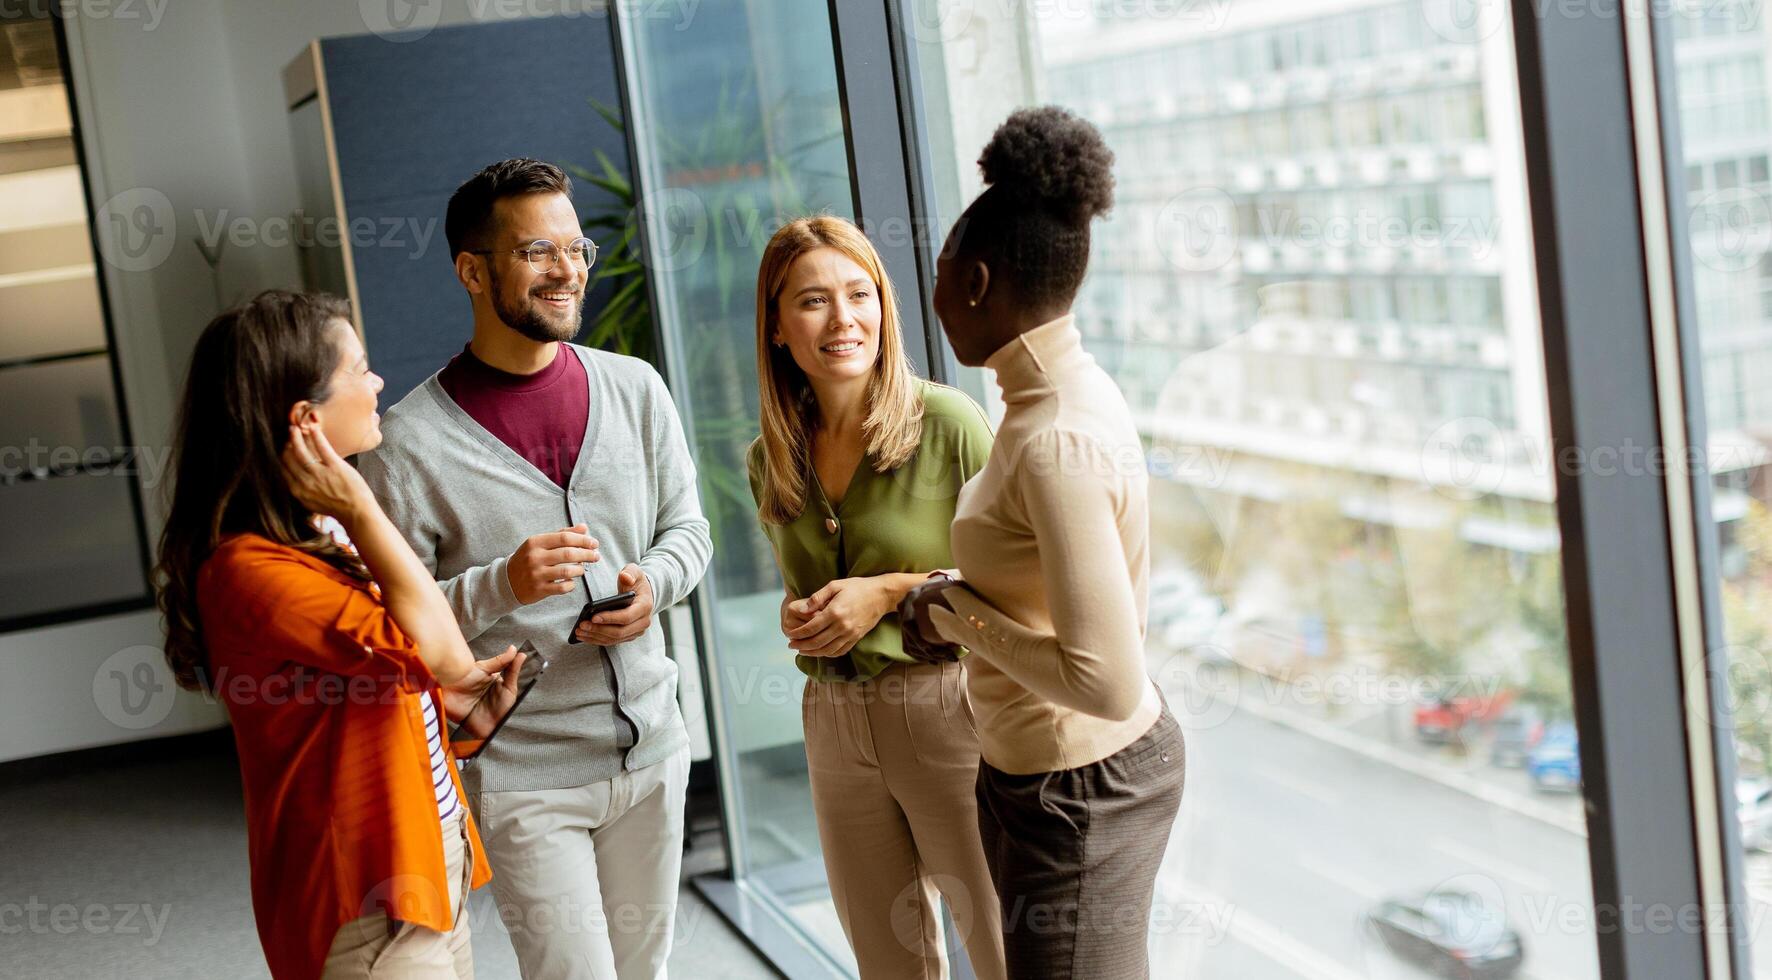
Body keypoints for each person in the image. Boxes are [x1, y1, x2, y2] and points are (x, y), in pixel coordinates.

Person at [357, 158, 712, 980]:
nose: (569, 271)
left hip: (653, 751)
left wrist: (653, 585)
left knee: (644, 970)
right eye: (538, 252)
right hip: (526, 778)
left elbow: (688, 528)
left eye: (577, 249)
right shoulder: (410, 444)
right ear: (472, 271)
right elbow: (394, 628)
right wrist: (503, 585)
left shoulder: (635, 388)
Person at [155, 289, 521, 980]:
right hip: (364, 891)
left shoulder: (315, 535)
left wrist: (454, 714)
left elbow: (379, 679)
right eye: (360, 369)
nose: (378, 381)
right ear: (306, 420)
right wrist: (360, 506)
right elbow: (440, 653)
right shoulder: (249, 570)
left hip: (424, 861)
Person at [900, 107, 1186, 979]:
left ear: (978, 281)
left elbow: (1107, 680)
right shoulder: (1044, 404)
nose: (935, 297)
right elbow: (1032, 577)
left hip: (1081, 788)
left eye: (941, 275)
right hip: (1036, 777)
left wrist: (952, 618)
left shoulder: (1054, 434)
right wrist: (957, 596)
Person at [747, 216, 1006, 980]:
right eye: (814, 301)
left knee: (1001, 944)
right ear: (776, 326)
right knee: (886, 962)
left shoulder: (951, 425)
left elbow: (1021, 592)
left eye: (860, 294)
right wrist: (802, 618)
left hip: (947, 708)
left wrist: (890, 592)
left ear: (886, 307)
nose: (843, 318)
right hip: (831, 724)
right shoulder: (771, 457)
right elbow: (809, 590)